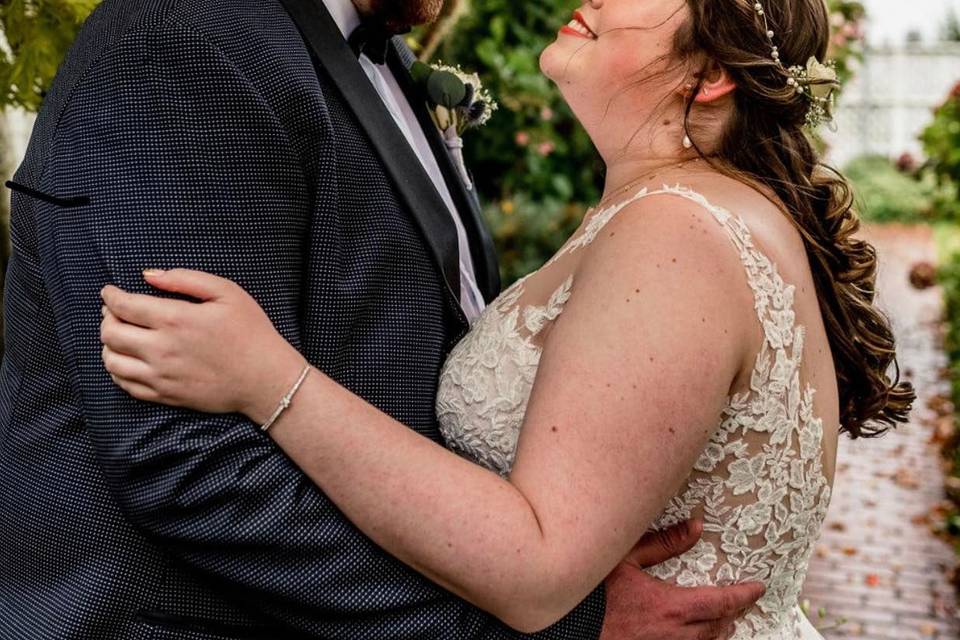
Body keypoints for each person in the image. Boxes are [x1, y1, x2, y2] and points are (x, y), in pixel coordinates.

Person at [98, 0, 916, 638]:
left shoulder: (676, 231)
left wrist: (270, 379)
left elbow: (535, 564)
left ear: (708, 77)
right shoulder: (688, 211)